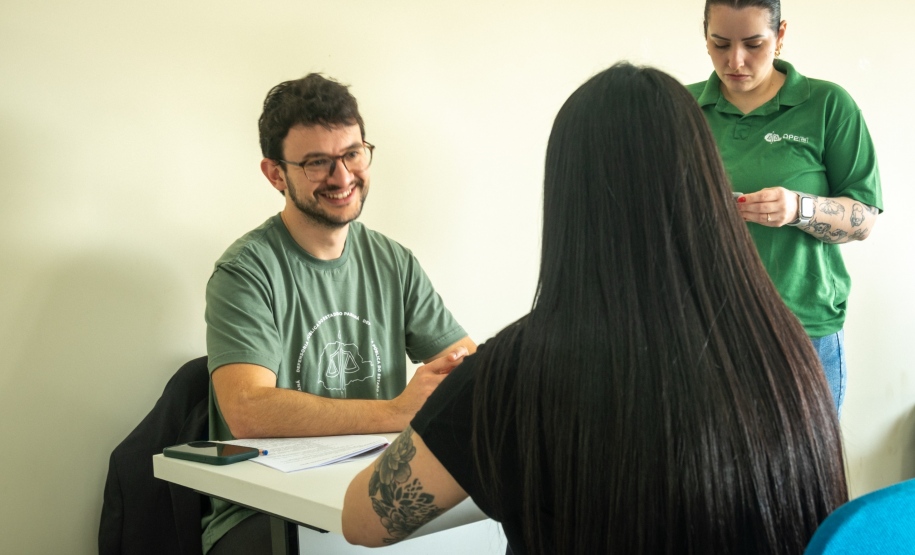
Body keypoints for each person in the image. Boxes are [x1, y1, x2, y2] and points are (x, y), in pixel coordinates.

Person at [341, 63, 848, 555]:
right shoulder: (783, 347)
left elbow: (363, 521)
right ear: (706, 183)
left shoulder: (513, 373)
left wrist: (450, 404)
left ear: (568, 199)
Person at [202, 74, 475, 555]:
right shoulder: (245, 271)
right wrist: (395, 413)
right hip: (265, 514)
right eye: (317, 163)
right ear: (275, 174)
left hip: (368, 495)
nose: (344, 177)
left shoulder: (393, 261)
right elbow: (247, 410)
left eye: (352, 154)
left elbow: (467, 369)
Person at [688, 0, 883, 415]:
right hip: (704, 331)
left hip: (803, 332)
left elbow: (864, 220)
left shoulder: (829, 105)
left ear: (780, 37)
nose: (735, 60)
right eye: (719, 43)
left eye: (753, 44)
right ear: (704, 36)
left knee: (806, 476)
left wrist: (800, 209)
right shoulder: (681, 110)